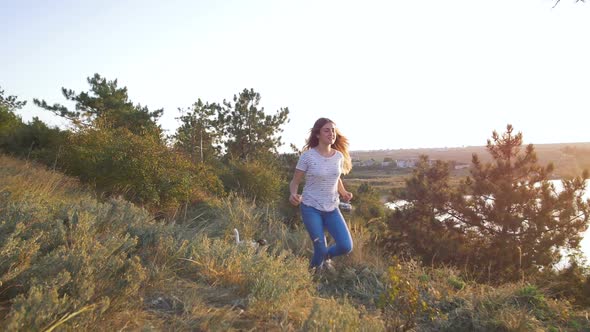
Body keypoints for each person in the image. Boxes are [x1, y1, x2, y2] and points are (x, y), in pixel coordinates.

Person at [289, 117, 354, 270]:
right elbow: (295, 182)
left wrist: (343, 192)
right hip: (311, 207)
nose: (331, 133)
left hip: (332, 208)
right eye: (327, 130)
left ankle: (325, 259)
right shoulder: (307, 157)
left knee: (346, 246)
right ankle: (311, 276)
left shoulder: (338, 156)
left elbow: (335, 178)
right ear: (317, 134)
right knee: (320, 247)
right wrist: (293, 194)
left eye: (333, 130)